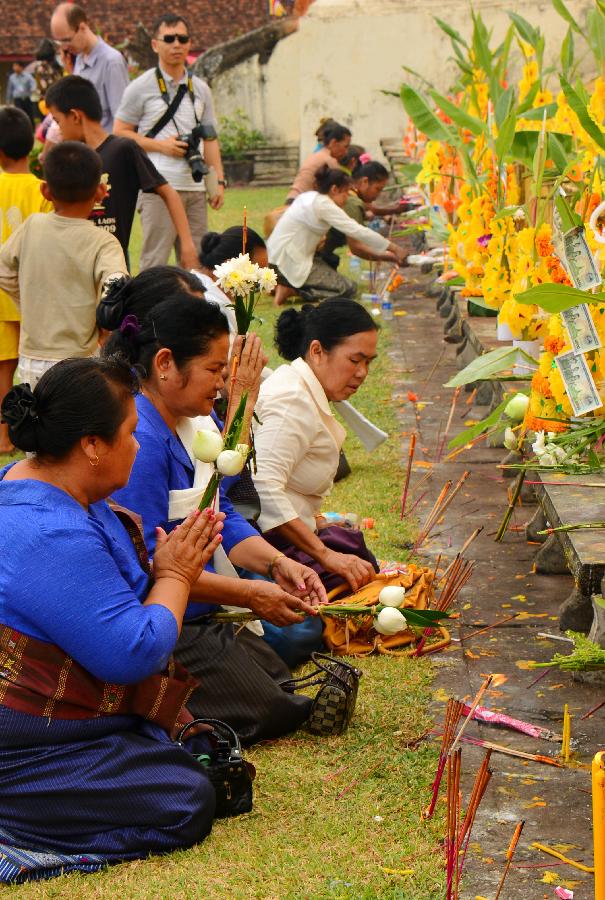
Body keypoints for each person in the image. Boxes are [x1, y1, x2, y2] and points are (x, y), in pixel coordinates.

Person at [0, 357, 223, 880]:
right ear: (92, 445)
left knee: (188, 751)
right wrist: (178, 575)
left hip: (62, 723)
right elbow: (134, 651)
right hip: (20, 743)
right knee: (184, 798)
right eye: (130, 432)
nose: (139, 444)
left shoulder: (40, 485)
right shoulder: (48, 531)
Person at [103, 290, 327, 739]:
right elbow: (146, 566)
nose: (224, 384)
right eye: (214, 370)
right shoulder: (140, 443)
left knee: (281, 675)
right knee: (273, 709)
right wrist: (248, 594)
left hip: (199, 610)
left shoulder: (187, 422)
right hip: (164, 617)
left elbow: (219, 514)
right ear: (165, 364)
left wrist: (278, 563)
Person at [253, 300, 382, 595]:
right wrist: (324, 554)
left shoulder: (302, 387)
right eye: (355, 360)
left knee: (363, 565)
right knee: (359, 586)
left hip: (292, 534)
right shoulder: (292, 400)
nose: (363, 373)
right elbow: (263, 486)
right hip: (270, 547)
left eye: (369, 362)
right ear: (316, 351)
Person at [0, 141, 126, 388]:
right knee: (80, 423)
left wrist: (26, 300)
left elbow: (3, 271)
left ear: (45, 191)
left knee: (40, 422)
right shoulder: (104, 242)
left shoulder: (31, 227)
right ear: (101, 192)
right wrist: (102, 323)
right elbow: (117, 284)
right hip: (81, 360)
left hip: (32, 358)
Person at [46, 75, 199, 270]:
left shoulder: (123, 149)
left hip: (113, 265)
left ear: (75, 116)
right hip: (75, 263)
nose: (58, 130)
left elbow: (168, 193)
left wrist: (187, 244)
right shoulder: (70, 157)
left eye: (58, 121)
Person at [114, 13, 226, 269]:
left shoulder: (200, 89)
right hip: (158, 186)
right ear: (156, 44)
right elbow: (120, 132)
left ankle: (194, 310)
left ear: (189, 44)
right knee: (156, 262)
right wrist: (161, 146)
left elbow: (210, 138)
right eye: (169, 38)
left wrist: (217, 180)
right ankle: (148, 309)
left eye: (182, 38)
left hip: (195, 186)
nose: (177, 44)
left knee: (197, 263)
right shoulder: (140, 87)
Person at [269, 165, 406, 306]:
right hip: (285, 261)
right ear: (334, 190)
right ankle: (293, 290)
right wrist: (394, 248)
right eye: (346, 193)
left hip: (278, 257)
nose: (347, 198)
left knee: (332, 265)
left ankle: (289, 284)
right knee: (348, 289)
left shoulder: (309, 197)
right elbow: (358, 231)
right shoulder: (324, 205)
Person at [0, 108, 53, 453]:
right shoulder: (44, 190)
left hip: (1, 292)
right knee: (37, 367)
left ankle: (3, 436)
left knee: (4, 368)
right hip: (34, 294)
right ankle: (41, 428)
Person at [50, 2, 129, 131]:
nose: (64, 47)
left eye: (67, 40)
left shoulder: (112, 62)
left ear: (82, 27)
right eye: (59, 42)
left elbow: (122, 120)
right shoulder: (79, 60)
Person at [318, 161, 400, 270]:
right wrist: (393, 256)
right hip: (314, 256)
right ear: (365, 181)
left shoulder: (350, 197)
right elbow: (357, 247)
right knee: (348, 287)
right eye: (377, 189)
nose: (378, 194)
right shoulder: (353, 202)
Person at [192, 226, 268, 333]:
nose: (253, 290)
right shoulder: (216, 308)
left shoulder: (188, 280)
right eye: (255, 281)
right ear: (229, 266)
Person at [286, 122, 351, 204]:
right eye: (345, 146)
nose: (346, 152)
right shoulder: (329, 161)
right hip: (302, 204)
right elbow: (342, 189)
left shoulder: (316, 155)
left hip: (292, 198)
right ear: (333, 143)